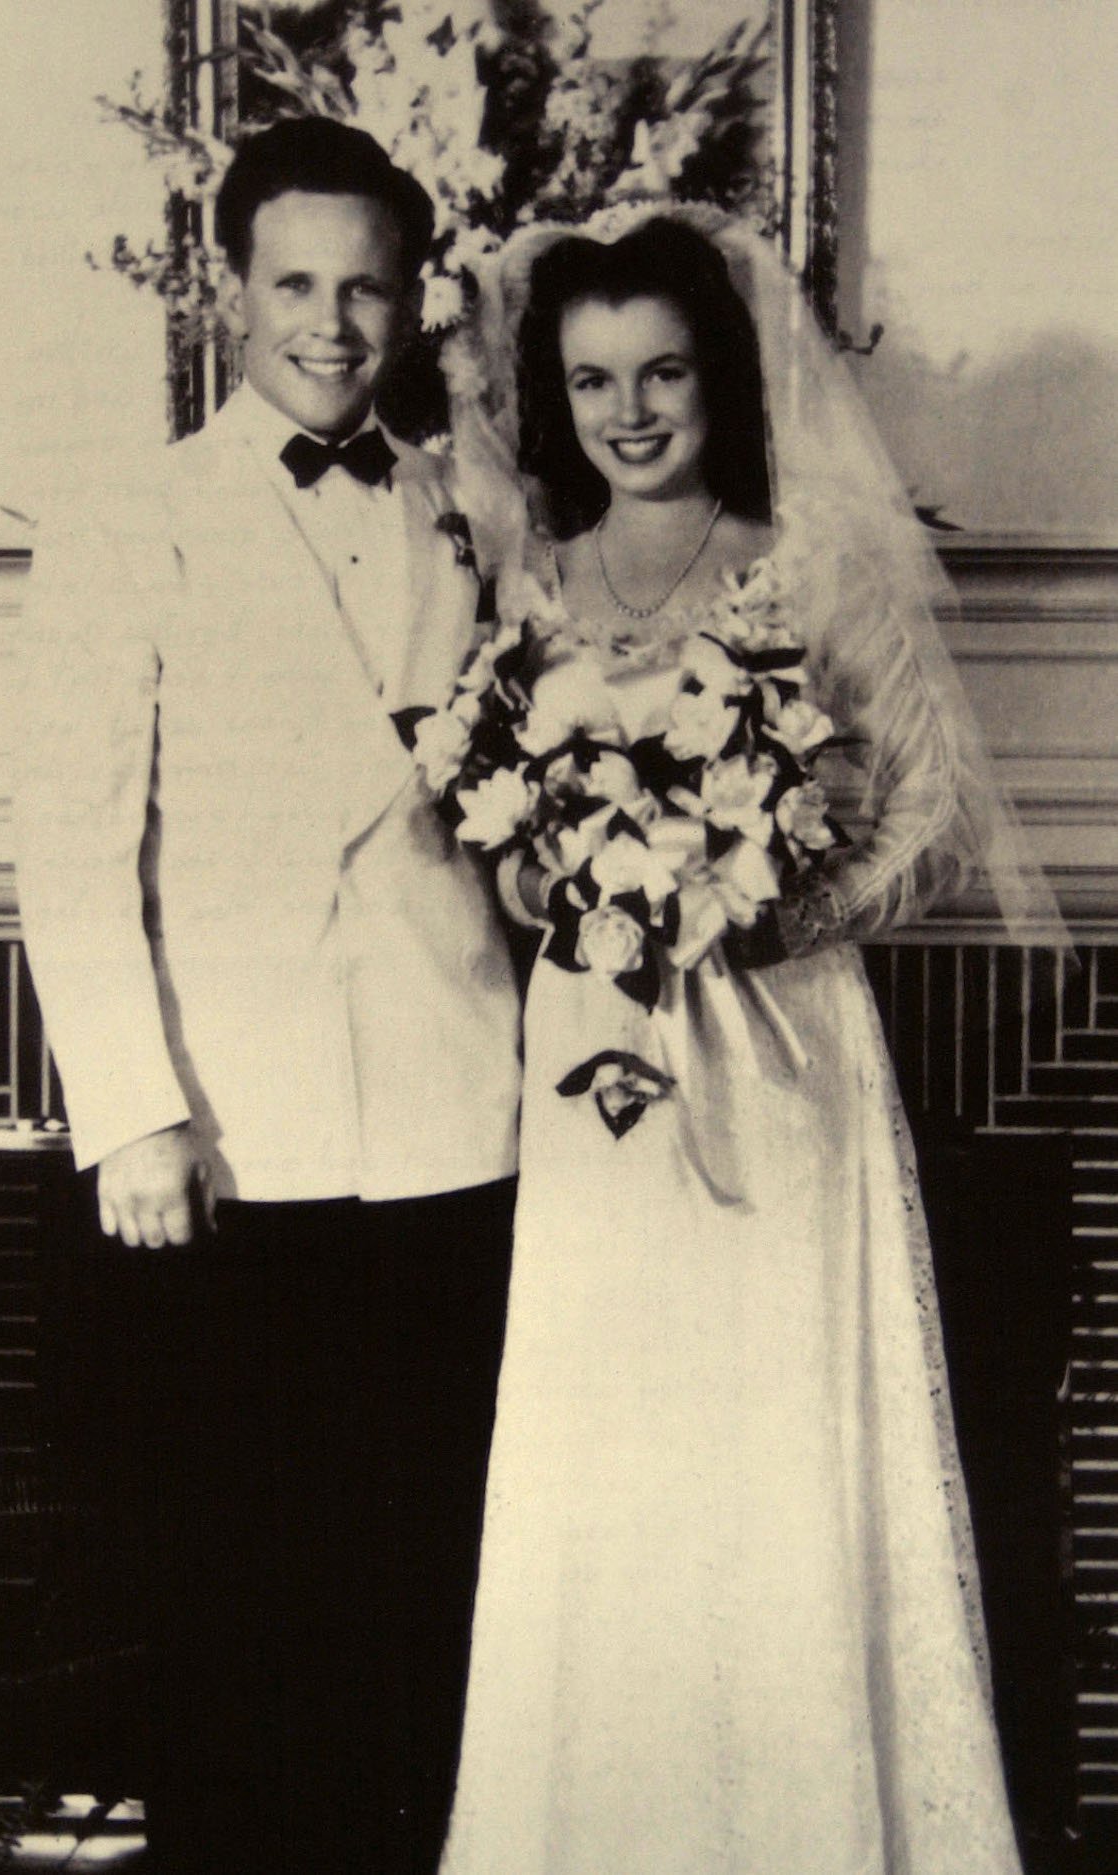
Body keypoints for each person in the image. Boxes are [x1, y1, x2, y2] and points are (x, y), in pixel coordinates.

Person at [435, 208, 1055, 1873]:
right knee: (606, 1430)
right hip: (595, 1056)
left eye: (662, 374)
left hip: (776, 1050)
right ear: (550, 399)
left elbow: (925, 818)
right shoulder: (522, 583)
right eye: (589, 383)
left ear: (720, 376)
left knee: (765, 1424)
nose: (629, 413)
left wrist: (764, 907)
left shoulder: (811, 569)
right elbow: (483, 814)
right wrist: (550, 870)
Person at [13, 117, 521, 1875]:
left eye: (367, 285)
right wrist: (135, 1114)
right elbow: (70, 842)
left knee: (425, 1586)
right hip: (236, 1140)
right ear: (230, 293)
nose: (331, 320)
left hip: (465, 1116)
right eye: (295, 282)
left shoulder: (481, 508)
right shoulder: (129, 519)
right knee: (234, 1596)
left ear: (414, 301)